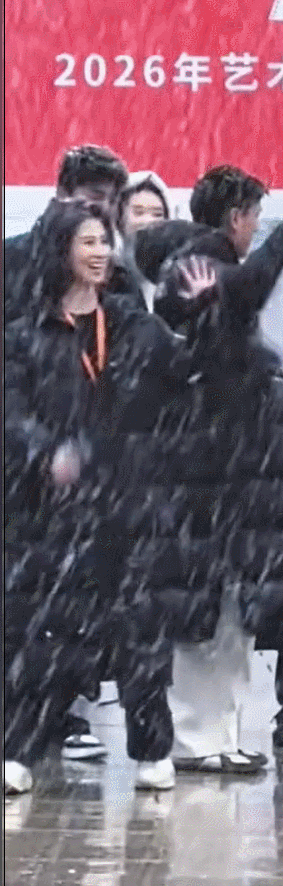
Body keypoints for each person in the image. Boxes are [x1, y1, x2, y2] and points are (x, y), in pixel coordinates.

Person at [4, 199, 213, 795]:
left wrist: (206, 314)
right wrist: (46, 453)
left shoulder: (131, 323)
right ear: (60, 251)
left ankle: (152, 749)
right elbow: (10, 414)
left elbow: (189, 371)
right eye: (88, 242)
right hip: (50, 511)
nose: (100, 253)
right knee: (40, 632)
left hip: (129, 505)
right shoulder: (24, 335)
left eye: (104, 241)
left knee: (139, 632)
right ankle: (19, 749)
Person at [152, 165, 283, 769]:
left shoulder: (212, 273)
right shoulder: (199, 268)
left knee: (226, 615)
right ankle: (197, 741)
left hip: (233, 475)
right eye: (256, 217)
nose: (256, 230)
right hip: (217, 477)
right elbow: (246, 287)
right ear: (237, 217)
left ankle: (216, 738)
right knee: (208, 616)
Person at [5, 145, 142, 325]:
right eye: (96, 196)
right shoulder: (10, 259)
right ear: (62, 193)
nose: (106, 208)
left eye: (113, 200)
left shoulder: (118, 276)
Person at [117, 170, 172, 310]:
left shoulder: (175, 278)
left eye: (157, 214)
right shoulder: (107, 273)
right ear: (120, 219)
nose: (148, 221)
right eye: (138, 212)